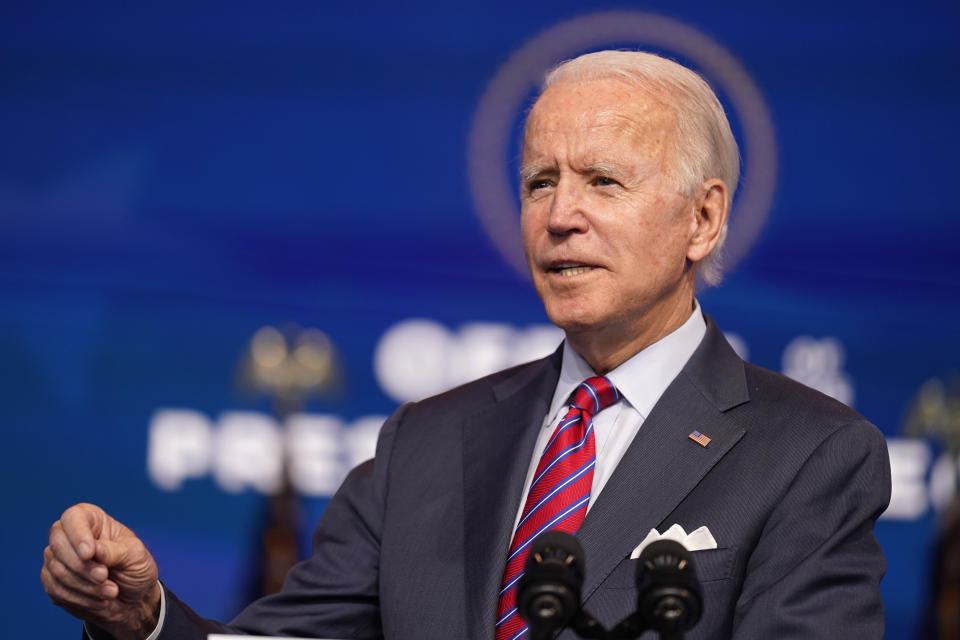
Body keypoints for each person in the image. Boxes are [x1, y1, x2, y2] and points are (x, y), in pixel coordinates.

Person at [42, 50, 891, 639]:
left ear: (702, 219)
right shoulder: (426, 442)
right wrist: (142, 620)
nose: (561, 215)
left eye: (602, 181)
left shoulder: (811, 456)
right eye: (539, 182)